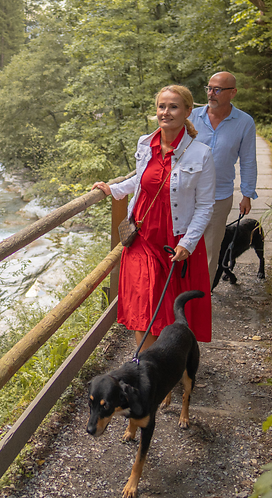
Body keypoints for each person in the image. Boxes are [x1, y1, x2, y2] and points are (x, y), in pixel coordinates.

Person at [93, 85, 216, 349]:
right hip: (142, 236)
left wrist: (188, 243)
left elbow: (205, 206)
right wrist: (114, 189)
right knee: (144, 307)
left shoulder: (201, 154)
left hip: (175, 240)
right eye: (162, 106)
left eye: (173, 107)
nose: (166, 112)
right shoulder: (145, 143)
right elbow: (143, 179)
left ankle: (171, 366)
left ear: (187, 112)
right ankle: (144, 368)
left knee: (171, 313)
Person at [188, 72, 258, 286]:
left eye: (217, 89)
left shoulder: (244, 122)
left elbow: (248, 160)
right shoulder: (191, 117)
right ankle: (180, 292)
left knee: (210, 248)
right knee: (183, 244)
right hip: (185, 194)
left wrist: (247, 194)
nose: (211, 93)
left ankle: (202, 295)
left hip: (219, 196)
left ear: (232, 93)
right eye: (209, 88)